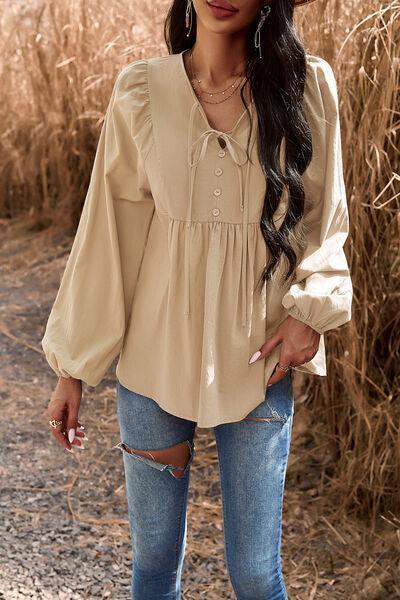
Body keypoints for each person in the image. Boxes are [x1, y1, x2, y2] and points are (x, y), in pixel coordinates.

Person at [42, 0, 353, 597]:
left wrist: (309, 312)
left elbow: (326, 218)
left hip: (260, 357)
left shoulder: (307, 85)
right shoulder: (141, 90)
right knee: (155, 563)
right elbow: (108, 236)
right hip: (153, 361)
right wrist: (72, 369)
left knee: (257, 574)